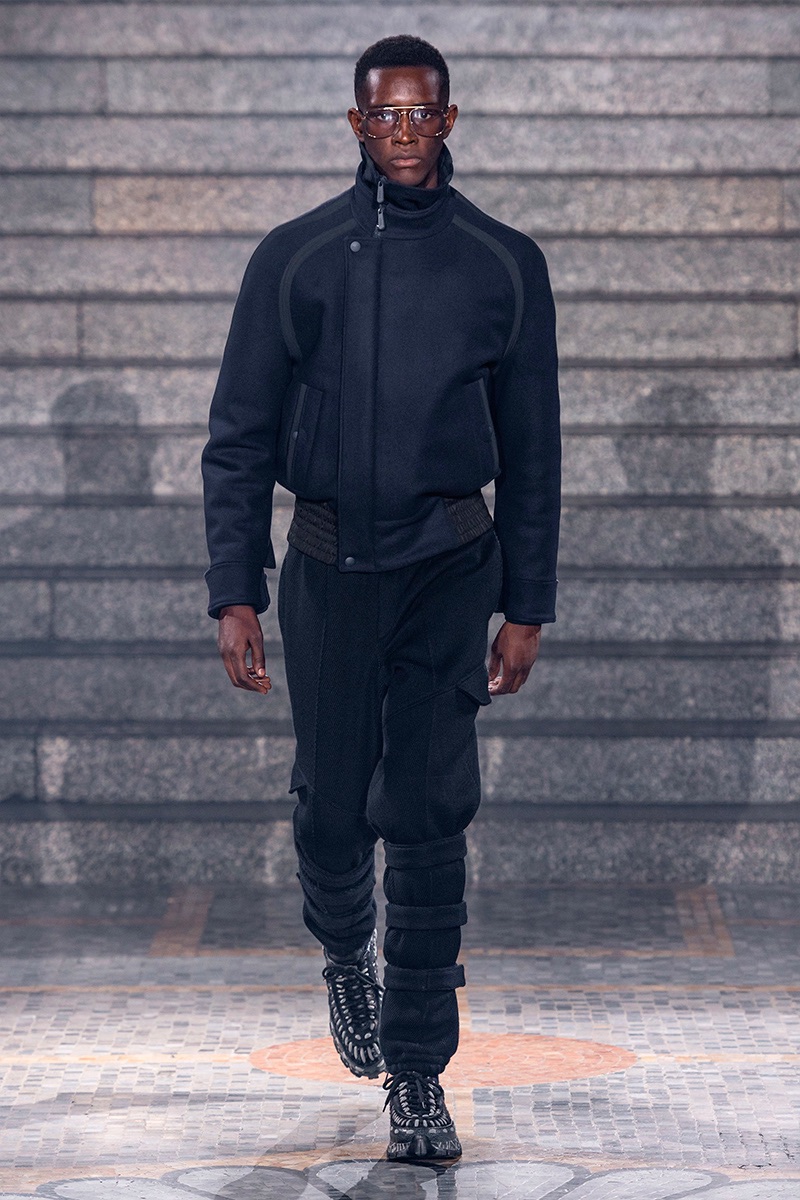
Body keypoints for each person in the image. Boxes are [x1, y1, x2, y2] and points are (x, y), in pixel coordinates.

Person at [201, 33, 561, 1161]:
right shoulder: (294, 259)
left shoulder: (502, 264)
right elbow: (238, 434)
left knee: (428, 811)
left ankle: (416, 1074)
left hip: (449, 566)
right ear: (356, 124)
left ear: (448, 120)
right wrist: (234, 589)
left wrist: (527, 604)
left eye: (422, 113)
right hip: (327, 567)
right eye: (384, 115)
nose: (404, 131)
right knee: (329, 811)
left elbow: (534, 452)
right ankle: (342, 949)